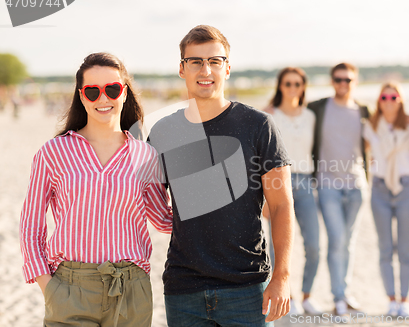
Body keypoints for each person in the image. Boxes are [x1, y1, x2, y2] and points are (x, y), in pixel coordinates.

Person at [147, 25, 294, 326]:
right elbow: (139, 197)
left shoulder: (258, 125)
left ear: (227, 68)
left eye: (215, 61)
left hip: (246, 287)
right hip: (183, 290)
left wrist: (282, 276)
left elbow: (281, 205)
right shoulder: (162, 132)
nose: (206, 69)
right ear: (182, 69)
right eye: (196, 61)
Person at [19, 52, 173, 327]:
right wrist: (47, 285)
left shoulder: (146, 156)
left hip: (132, 290)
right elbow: (31, 224)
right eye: (92, 91)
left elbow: (163, 220)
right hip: (69, 289)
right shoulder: (54, 152)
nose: (104, 98)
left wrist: (216, 192)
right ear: (81, 96)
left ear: (124, 93)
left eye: (112, 89)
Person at [308, 62, 369, 316]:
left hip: (356, 187)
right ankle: (338, 298)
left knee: (349, 242)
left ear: (355, 82)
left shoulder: (364, 111)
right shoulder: (318, 108)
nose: (343, 84)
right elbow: (287, 113)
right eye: (338, 79)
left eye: (348, 80)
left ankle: (345, 292)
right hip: (327, 185)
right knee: (337, 240)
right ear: (332, 81)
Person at [262, 67, 322, 315]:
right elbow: (259, 157)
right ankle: (290, 296)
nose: (293, 88)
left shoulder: (310, 116)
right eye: (288, 84)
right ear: (280, 86)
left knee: (314, 244)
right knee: (278, 245)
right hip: (275, 184)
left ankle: (307, 295)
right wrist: (263, 197)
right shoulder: (268, 115)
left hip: (305, 182)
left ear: (303, 87)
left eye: (297, 84)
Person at [363, 82, 409, 317]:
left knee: (404, 248)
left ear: (401, 100)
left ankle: (405, 300)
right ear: (378, 101)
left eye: (393, 97)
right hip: (380, 188)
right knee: (385, 248)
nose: (388, 101)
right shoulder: (370, 127)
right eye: (384, 97)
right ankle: (391, 299)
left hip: (406, 187)